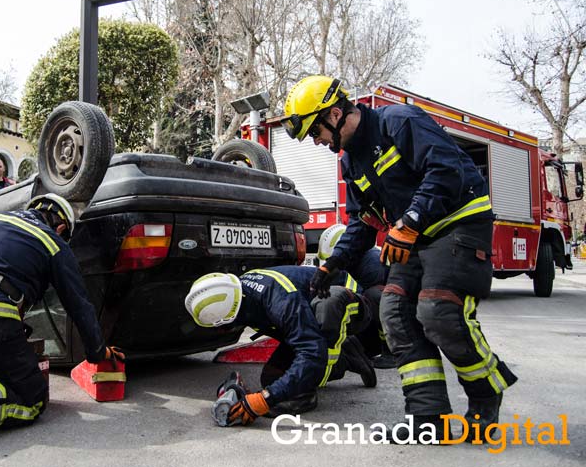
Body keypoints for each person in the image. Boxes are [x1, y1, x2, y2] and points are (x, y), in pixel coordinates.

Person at [284, 75, 517, 442]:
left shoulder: (398, 121)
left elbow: (445, 170)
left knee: (438, 313)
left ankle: (486, 393)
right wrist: (333, 265)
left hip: (458, 223)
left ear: (333, 113)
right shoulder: (352, 164)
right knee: (394, 314)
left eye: (316, 131)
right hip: (413, 238)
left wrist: (409, 221)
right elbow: (362, 223)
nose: (317, 142)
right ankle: (427, 420)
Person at [0, 193, 123, 457]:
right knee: (33, 398)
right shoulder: (52, 242)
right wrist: (99, 352)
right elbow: (79, 305)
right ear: (61, 228)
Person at [185, 266, 376, 426]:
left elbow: (311, 354)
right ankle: (350, 354)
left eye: (221, 327)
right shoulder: (240, 292)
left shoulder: (280, 301)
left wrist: (265, 399)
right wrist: (271, 391)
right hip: (307, 314)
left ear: (232, 314)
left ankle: (314, 388)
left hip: (351, 304)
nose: (221, 332)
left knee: (310, 366)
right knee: (272, 379)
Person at [317, 224, 396, 369]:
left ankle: (391, 352)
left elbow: (359, 297)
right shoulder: (353, 261)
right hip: (374, 320)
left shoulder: (372, 263)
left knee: (371, 296)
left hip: (393, 315)